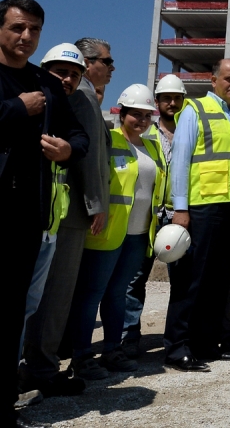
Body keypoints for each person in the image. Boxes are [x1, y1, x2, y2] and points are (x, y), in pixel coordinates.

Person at [2, 0, 88, 428]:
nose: (26, 37)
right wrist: (18, 108)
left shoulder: (46, 83)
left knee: (14, 311)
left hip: (26, 216)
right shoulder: (25, 90)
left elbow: (78, 135)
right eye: (18, 27)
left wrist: (70, 148)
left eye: (34, 29)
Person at [23, 36, 111, 398]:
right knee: (53, 295)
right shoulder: (81, 96)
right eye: (106, 60)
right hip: (64, 211)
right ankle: (40, 368)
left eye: (72, 73)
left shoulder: (59, 96)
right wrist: (96, 203)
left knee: (45, 297)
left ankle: (38, 366)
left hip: (58, 208)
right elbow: (91, 158)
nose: (110, 67)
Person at [67, 84, 166, 379]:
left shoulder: (153, 146)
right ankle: (81, 356)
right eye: (136, 114)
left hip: (138, 234)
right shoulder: (108, 140)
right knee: (91, 294)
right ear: (121, 113)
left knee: (118, 294)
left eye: (147, 115)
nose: (142, 120)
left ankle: (113, 349)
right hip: (107, 232)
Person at [163, 59, 230, 372]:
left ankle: (203, 342)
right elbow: (181, 159)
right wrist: (181, 208)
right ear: (213, 80)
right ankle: (177, 348)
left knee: (216, 282)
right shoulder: (194, 110)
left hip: (229, 210)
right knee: (191, 282)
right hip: (201, 209)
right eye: (228, 78)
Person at [22, 44, 88, 359]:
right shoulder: (27, 97)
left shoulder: (63, 109)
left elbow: (80, 140)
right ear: (43, 70)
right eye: (61, 72)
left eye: (75, 75)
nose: (68, 79)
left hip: (47, 221)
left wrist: (68, 150)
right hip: (21, 214)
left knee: (31, 303)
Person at [121, 73, 186, 358]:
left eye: (177, 98)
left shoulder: (190, 133)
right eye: (166, 98)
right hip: (149, 217)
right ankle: (128, 338)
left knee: (182, 282)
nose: (172, 103)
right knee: (135, 280)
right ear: (157, 102)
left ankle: (178, 339)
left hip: (179, 217)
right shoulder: (146, 137)